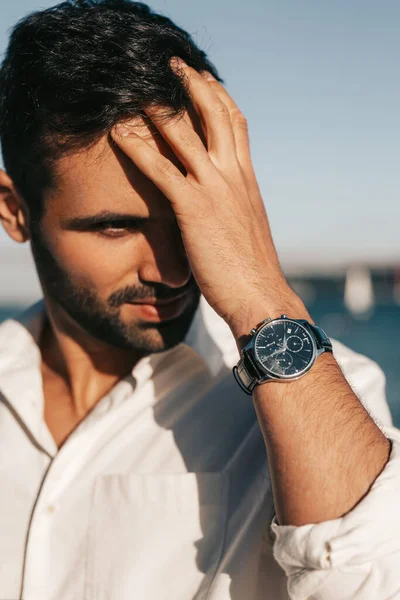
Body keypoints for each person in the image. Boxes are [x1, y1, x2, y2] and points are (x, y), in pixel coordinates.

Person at [0, 1, 399, 599]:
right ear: (15, 211)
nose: (170, 268)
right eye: (115, 227)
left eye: (189, 219)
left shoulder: (326, 397)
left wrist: (261, 289)